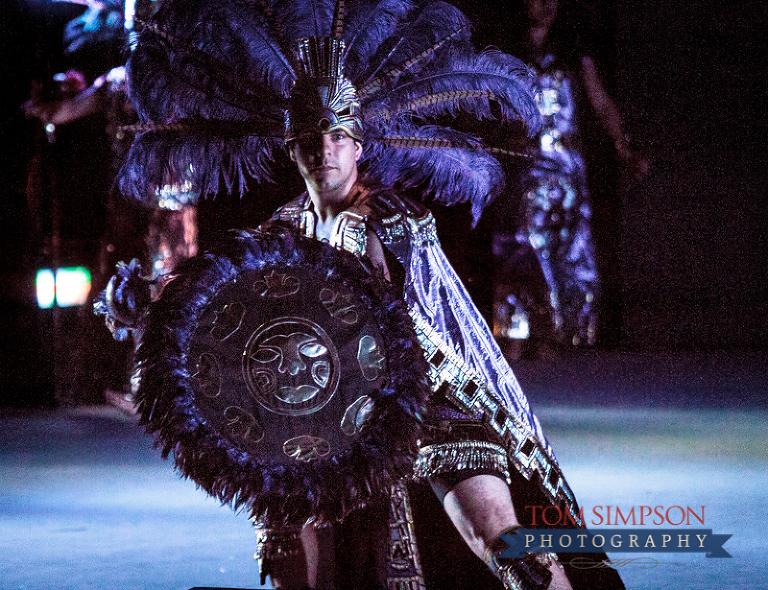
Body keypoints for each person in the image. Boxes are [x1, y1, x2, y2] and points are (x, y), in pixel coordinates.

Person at [103, 1, 627, 588]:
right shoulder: (285, 228)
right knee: (289, 555)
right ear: (291, 145)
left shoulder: (392, 220)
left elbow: (401, 326)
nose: (322, 150)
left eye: (335, 135)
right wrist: (151, 299)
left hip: (434, 409)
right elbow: (227, 294)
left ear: (358, 144)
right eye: (308, 138)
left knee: (508, 549)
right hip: (334, 428)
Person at [492, 0, 649, 354]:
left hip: (565, 168)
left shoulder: (574, 53)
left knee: (571, 250)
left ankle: (569, 337)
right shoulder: (506, 52)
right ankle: (518, 335)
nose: (545, 5)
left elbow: (600, 102)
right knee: (523, 245)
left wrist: (624, 147)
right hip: (525, 168)